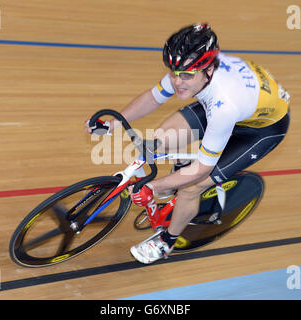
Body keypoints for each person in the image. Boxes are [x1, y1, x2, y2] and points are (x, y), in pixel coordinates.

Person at [85, 23, 290, 264]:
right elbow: (153, 97)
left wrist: (154, 186)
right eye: (173, 72)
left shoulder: (223, 105)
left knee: (192, 186)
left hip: (262, 130)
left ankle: (166, 242)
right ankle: (182, 169)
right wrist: (114, 123)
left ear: (209, 70)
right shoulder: (189, 65)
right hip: (239, 104)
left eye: (186, 76)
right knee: (158, 140)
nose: (178, 81)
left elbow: (203, 168)